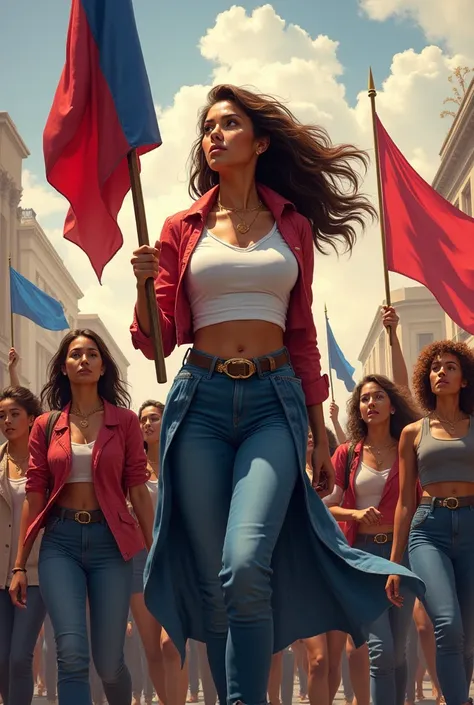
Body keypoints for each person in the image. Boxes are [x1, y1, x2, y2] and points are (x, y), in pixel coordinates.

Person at [130, 83, 423, 705]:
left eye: (229, 124)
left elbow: (301, 337)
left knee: (244, 566)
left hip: (274, 401)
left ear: (260, 142)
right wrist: (144, 285)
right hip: (200, 402)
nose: (214, 135)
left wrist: (320, 431)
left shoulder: (290, 223)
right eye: (208, 127)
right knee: (219, 587)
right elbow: (155, 342)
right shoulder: (181, 228)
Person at [8, 329, 155, 705]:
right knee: (71, 654)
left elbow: (138, 489)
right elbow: (35, 493)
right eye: (75, 355)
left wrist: (155, 551)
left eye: (92, 354)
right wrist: (21, 564)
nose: (84, 360)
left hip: (112, 544)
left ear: (103, 366)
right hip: (60, 544)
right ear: (63, 367)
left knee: (108, 663)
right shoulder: (45, 425)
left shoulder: (123, 421)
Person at [326, 307, 421, 705]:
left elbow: (408, 388)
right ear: (358, 409)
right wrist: (351, 513)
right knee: (381, 653)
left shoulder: (409, 446)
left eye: (379, 396)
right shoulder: (347, 454)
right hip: (361, 558)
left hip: (403, 556)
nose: (371, 403)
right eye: (364, 398)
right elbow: (324, 505)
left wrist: (394, 336)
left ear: (391, 405)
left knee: (398, 653)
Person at [387, 340, 474, 705]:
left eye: (451, 366)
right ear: (428, 379)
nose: (442, 371)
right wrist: (392, 563)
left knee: (468, 636)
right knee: (448, 625)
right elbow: (405, 501)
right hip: (428, 530)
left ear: (464, 379)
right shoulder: (412, 433)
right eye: (436, 367)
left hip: (472, 527)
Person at [135, 399, 187, 705]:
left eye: (154, 418)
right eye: (143, 419)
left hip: (174, 561)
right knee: (153, 649)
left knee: (172, 644)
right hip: (137, 563)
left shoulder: (179, 462)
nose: (147, 424)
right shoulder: (131, 467)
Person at [0, 386, 45, 705]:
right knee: (1, 659)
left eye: (15, 414)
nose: (7, 420)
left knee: (19, 657)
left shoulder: (47, 463)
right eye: (2, 415)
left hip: (35, 572)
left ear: (32, 419)